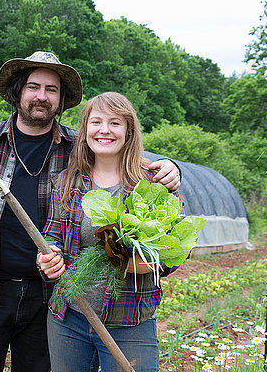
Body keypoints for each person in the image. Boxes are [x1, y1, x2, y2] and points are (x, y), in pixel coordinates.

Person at [0, 52, 181, 372]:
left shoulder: (78, 148)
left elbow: (123, 157)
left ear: (61, 100)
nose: (42, 96)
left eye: (51, 89)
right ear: (18, 92)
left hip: (49, 297)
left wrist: (172, 169)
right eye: (33, 86)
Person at [39, 91, 179, 372]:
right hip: (69, 317)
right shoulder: (67, 181)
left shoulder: (151, 183)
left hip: (129, 322)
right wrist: (47, 257)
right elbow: (51, 233)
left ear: (128, 132)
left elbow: (175, 248)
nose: (104, 130)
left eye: (115, 123)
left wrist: (144, 262)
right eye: (96, 122)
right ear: (86, 130)